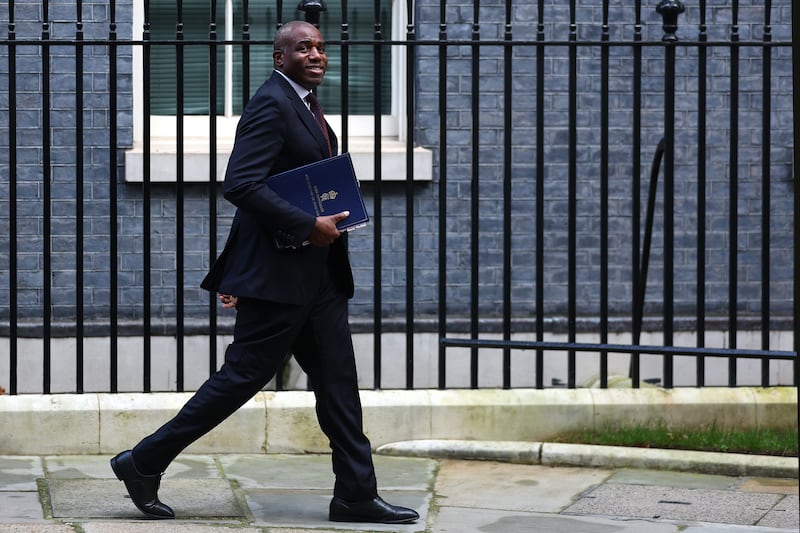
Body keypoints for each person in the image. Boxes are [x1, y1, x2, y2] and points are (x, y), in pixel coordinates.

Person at [110, 20, 419, 525]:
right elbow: (242, 184)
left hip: (317, 275)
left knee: (339, 384)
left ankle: (356, 494)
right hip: (279, 279)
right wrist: (306, 224)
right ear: (280, 57)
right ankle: (142, 461)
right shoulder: (271, 102)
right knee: (240, 380)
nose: (316, 54)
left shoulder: (305, 102)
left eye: (320, 46)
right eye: (304, 48)